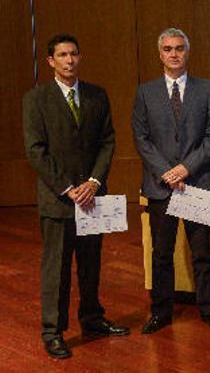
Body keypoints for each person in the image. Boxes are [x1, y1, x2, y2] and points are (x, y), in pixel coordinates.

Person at [23, 34, 129, 359]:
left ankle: (92, 318)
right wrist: (69, 188)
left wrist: (95, 181)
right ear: (50, 61)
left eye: (73, 54)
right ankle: (53, 332)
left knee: (90, 264)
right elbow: (35, 151)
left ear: (80, 58)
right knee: (56, 270)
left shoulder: (97, 95)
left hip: (93, 199)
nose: (69, 60)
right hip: (59, 201)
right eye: (62, 55)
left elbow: (107, 141)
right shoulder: (36, 99)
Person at [131, 28, 210, 335]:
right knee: (161, 253)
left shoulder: (208, 89)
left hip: (197, 182)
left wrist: (184, 168)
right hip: (161, 187)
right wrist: (166, 172)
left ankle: (208, 309)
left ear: (188, 51)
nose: (174, 54)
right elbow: (141, 139)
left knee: (201, 252)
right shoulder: (145, 92)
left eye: (179, 48)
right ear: (160, 54)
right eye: (168, 49)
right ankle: (160, 312)